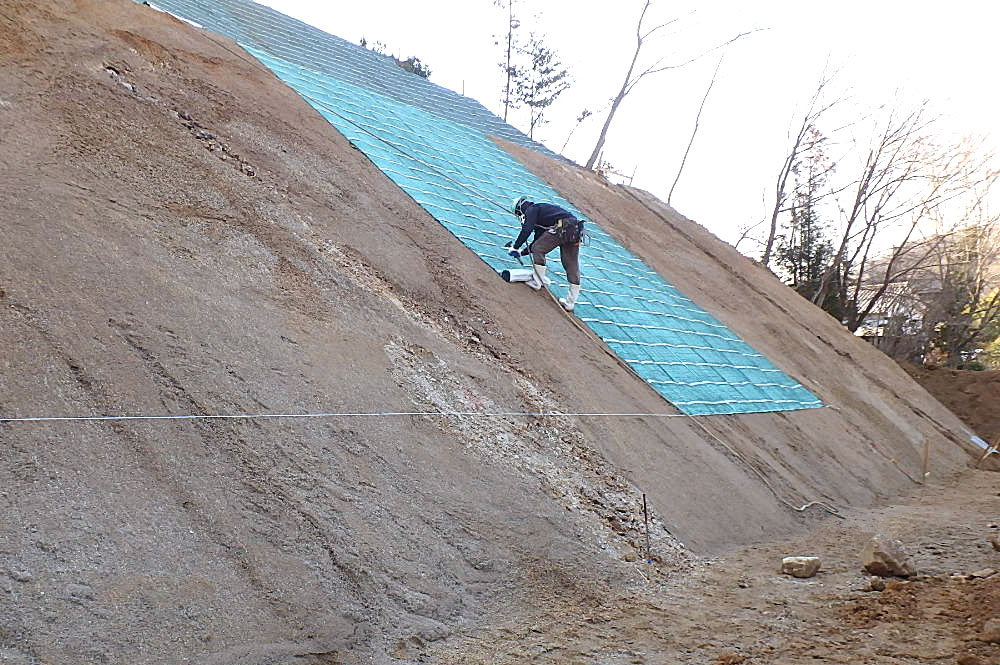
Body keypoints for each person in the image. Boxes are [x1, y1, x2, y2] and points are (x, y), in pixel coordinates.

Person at [506, 196, 584, 311]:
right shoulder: (543, 215)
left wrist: (515, 247)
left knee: (539, 249)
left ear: (520, 209)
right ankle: (570, 303)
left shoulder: (532, 209)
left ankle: (537, 281)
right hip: (575, 229)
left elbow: (527, 231)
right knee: (571, 265)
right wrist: (522, 252)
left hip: (564, 226)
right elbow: (537, 242)